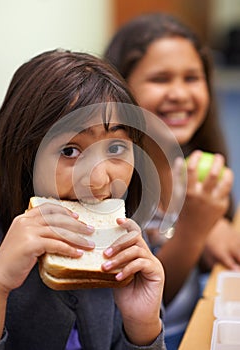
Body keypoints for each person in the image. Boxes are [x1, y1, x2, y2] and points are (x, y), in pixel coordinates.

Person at [0, 49, 166, 349]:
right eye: (70, 151)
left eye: (116, 148)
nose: (99, 181)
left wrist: (142, 323)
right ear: (25, 156)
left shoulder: (121, 236)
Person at [103, 12, 239, 349]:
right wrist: (196, 228)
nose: (179, 93)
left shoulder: (190, 162)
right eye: (161, 79)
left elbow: (228, 252)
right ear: (120, 88)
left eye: (192, 78)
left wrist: (210, 229)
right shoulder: (109, 182)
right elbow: (139, 299)